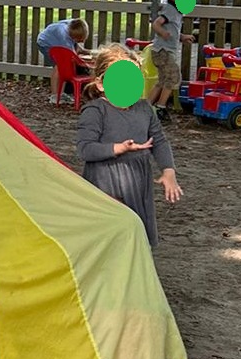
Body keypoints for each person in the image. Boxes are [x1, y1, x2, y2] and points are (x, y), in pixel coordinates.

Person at [77, 43, 183, 250]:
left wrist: (169, 171)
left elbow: (159, 140)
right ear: (101, 84)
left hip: (137, 180)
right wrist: (118, 148)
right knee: (110, 236)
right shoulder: (95, 111)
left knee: (137, 233)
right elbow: (85, 149)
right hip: (105, 182)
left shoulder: (144, 108)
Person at [148, 0, 197, 123]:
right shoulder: (170, 10)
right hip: (163, 51)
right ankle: (160, 107)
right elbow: (156, 24)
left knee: (163, 80)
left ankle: (147, 107)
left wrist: (182, 37)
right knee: (174, 77)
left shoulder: (176, 12)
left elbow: (172, 30)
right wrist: (162, 33)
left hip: (164, 51)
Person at [36, 18, 92, 104]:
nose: (82, 41)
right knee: (60, 66)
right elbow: (73, 57)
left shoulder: (75, 25)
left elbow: (76, 47)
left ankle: (61, 94)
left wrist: (86, 51)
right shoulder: (64, 38)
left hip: (56, 38)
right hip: (45, 43)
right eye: (79, 39)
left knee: (65, 66)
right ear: (72, 36)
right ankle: (55, 96)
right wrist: (86, 62)